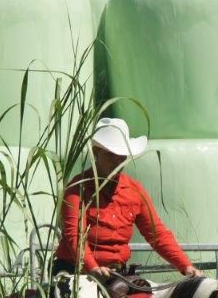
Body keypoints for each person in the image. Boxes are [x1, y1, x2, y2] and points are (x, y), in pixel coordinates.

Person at [53, 117, 202, 280]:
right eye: (111, 154)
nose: (117, 161)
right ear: (96, 152)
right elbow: (75, 235)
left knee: (145, 296)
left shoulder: (134, 190)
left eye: (122, 155)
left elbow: (157, 234)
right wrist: (92, 267)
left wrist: (185, 265)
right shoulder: (77, 189)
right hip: (76, 273)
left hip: (117, 274)